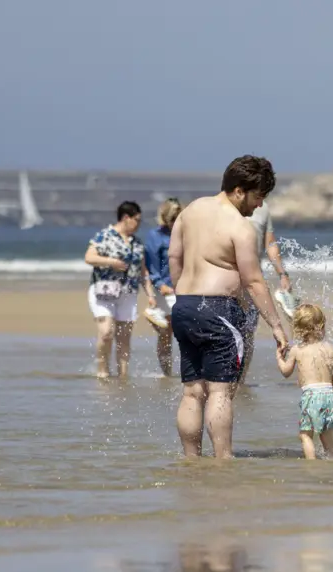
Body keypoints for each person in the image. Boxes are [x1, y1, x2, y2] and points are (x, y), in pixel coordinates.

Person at [168, 155, 288, 458]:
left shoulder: (190, 211)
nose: (259, 205)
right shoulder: (240, 227)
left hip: (184, 307)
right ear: (239, 190)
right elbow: (254, 281)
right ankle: (223, 460)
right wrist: (276, 326)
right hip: (219, 311)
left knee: (192, 391)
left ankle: (191, 459)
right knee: (220, 392)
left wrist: (183, 294)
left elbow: (174, 257)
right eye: (258, 196)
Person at [84, 201, 147, 379]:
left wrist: (150, 294)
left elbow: (143, 271)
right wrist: (111, 262)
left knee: (124, 337)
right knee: (106, 332)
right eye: (137, 220)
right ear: (126, 218)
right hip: (104, 291)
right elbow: (89, 257)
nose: (139, 224)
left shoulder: (137, 242)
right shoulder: (105, 235)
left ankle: (123, 375)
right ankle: (103, 370)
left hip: (128, 293)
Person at [236, 200, 293, 386]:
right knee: (227, 333)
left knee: (247, 334)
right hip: (226, 281)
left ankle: (240, 383)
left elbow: (270, 244)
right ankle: (223, 382)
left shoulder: (263, 208)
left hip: (253, 281)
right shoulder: (224, 205)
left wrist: (282, 274)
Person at [276, 303, 333, 460]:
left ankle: (311, 465)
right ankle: (332, 461)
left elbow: (286, 372)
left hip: (312, 396)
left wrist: (279, 358)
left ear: (298, 329)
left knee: (305, 435)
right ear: (321, 326)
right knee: (326, 435)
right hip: (330, 396)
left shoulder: (297, 350)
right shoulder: (328, 347)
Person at [143, 198, 183, 376]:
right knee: (166, 334)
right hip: (166, 289)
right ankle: (167, 373)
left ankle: (189, 370)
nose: (176, 221)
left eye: (178, 217)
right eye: (173, 217)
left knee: (185, 330)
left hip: (184, 288)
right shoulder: (155, 236)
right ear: (166, 217)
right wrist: (159, 284)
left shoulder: (186, 234)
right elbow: (151, 265)